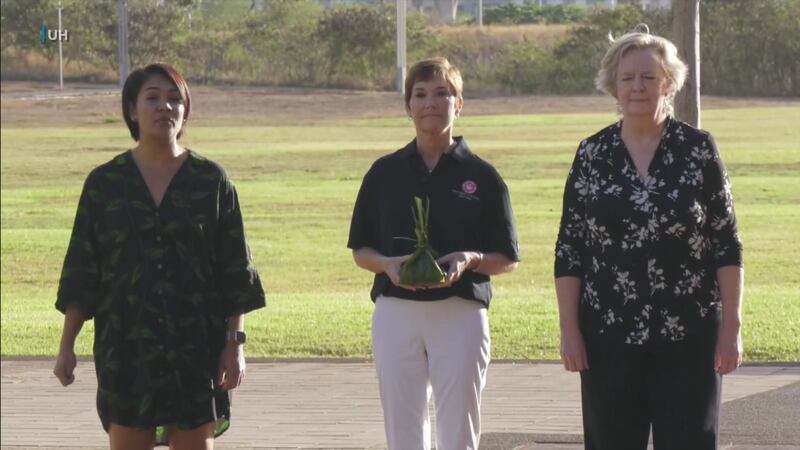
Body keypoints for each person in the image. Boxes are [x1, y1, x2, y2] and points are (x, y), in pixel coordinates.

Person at [52, 63, 266, 450]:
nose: (164, 107)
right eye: (152, 98)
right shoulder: (105, 184)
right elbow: (84, 271)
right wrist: (67, 346)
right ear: (132, 109)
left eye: (174, 99)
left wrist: (234, 344)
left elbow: (235, 271)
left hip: (195, 347)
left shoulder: (211, 181)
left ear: (185, 111)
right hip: (127, 347)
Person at [554, 27, 744, 450]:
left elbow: (727, 243)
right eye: (627, 78)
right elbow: (570, 248)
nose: (637, 86)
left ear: (669, 83)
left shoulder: (698, 150)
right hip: (607, 336)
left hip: (689, 335)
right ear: (613, 86)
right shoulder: (592, 154)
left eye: (649, 77)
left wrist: (731, 326)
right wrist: (570, 330)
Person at [348, 57, 520, 450]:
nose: (431, 103)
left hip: (460, 312)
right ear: (408, 105)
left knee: (459, 429)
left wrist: (471, 259)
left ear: (459, 104)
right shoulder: (384, 172)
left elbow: (507, 257)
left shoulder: (483, 175)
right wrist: (387, 264)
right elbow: (361, 249)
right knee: (403, 430)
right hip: (396, 312)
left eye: (442, 93)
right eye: (420, 94)